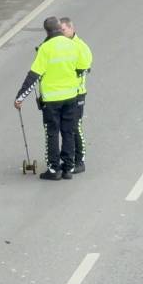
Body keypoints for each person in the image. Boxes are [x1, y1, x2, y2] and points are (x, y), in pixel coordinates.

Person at [13, 16, 81, 180]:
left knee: (52, 133)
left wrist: (20, 97)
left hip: (51, 100)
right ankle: (68, 168)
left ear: (46, 31)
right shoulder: (72, 45)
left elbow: (34, 76)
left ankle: (54, 169)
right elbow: (81, 68)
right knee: (68, 132)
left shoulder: (45, 48)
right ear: (59, 27)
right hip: (71, 96)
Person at [59, 17, 92, 173]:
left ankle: (80, 160)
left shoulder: (80, 47)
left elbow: (85, 68)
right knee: (66, 127)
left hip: (78, 93)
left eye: (63, 30)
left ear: (71, 29)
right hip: (66, 93)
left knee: (76, 126)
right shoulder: (61, 46)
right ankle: (69, 159)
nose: (60, 33)